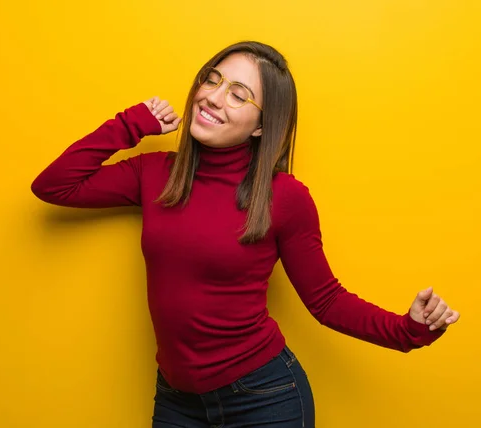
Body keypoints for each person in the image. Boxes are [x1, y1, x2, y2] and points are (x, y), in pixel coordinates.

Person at [30, 41, 459, 427]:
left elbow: (327, 300)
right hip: (177, 401)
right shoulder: (156, 172)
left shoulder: (284, 197)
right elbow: (53, 186)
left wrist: (408, 330)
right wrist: (129, 125)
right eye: (212, 79)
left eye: (238, 94)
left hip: (264, 401)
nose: (212, 97)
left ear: (260, 125)